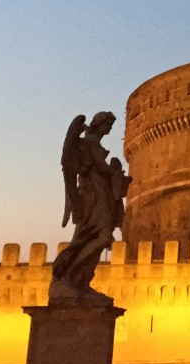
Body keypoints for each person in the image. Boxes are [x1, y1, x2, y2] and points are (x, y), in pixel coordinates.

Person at [53, 112, 131, 301]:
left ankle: (80, 281)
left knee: (98, 237)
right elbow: (101, 167)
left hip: (101, 192)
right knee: (100, 235)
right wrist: (117, 173)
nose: (109, 130)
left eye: (111, 127)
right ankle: (68, 275)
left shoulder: (93, 142)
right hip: (93, 195)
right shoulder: (90, 142)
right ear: (98, 124)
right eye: (107, 126)